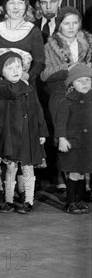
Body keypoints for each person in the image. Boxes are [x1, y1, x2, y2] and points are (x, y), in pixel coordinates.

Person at [40, 6, 92, 194]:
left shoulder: (88, 42)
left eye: (75, 23)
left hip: (87, 93)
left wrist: (85, 71)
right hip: (62, 93)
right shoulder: (50, 46)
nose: (71, 27)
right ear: (59, 25)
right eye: (66, 23)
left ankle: (86, 184)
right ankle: (68, 181)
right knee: (67, 137)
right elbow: (45, 75)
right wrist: (68, 68)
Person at [0, 52, 48, 214]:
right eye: (10, 68)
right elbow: (13, 91)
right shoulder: (2, 87)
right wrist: (25, 82)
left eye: (18, 66)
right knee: (11, 167)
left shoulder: (28, 87)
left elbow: (38, 110)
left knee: (28, 167)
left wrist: (42, 132)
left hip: (28, 134)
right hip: (10, 135)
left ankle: (28, 200)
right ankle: (9, 199)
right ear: (1, 72)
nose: (16, 70)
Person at [0, 0, 45, 86]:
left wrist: (28, 75)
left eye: (20, 3)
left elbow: (39, 62)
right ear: (5, 6)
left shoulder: (34, 31)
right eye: (11, 3)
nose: (16, 7)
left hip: (24, 86)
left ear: (26, 6)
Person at [55, 64, 92, 214]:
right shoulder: (67, 101)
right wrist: (62, 138)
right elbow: (60, 122)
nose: (84, 84)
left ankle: (80, 199)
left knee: (83, 171)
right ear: (71, 83)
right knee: (74, 173)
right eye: (79, 81)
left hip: (87, 143)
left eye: (87, 80)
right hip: (73, 143)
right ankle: (70, 202)